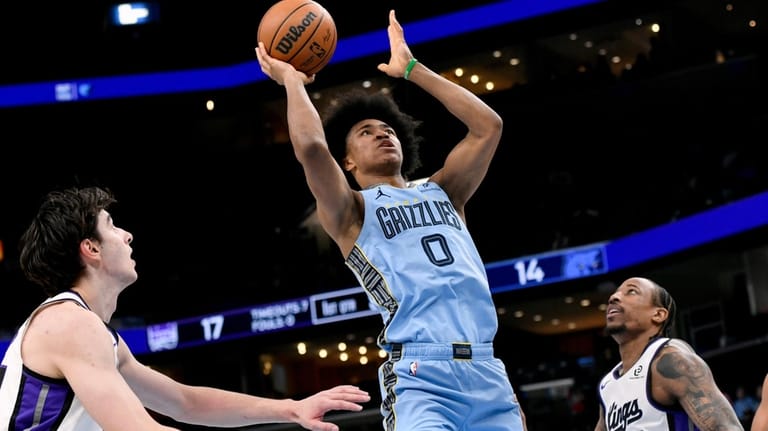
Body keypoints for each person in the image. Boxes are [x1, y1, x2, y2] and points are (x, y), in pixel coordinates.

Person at [255, 8, 526, 431]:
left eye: (388, 129)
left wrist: (412, 69)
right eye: (366, 132)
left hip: (488, 369)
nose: (383, 133)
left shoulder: (445, 191)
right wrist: (292, 80)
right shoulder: (352, 210)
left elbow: (488, 127)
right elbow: (310, 148)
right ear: (347, 161)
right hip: (422, 376)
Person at [0, 186, 370, 431]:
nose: (127, 235)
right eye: (112, 226)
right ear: (91, 249)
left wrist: (291, 408)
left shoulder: (93, 332)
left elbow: (185, 402)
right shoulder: (69, 324)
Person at [594, 276, 743, 431]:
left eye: (631, 291)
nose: (613, 297)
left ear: (658, 315)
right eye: (616, 293)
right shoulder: (608, 385)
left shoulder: (670, 360)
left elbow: (727, 428)